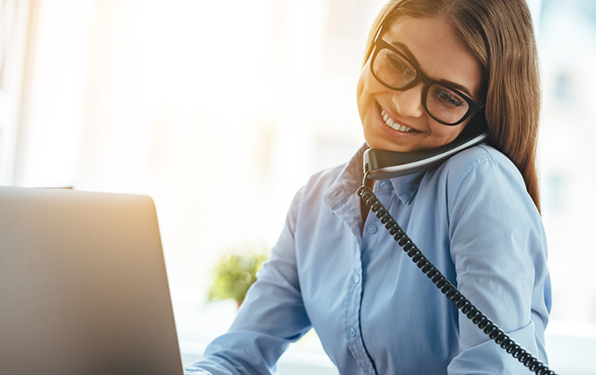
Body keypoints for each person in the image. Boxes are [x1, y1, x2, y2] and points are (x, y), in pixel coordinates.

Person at [186, 0, 551, 373]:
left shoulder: (478, 182)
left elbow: (495, 367)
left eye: (447, 96)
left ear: (480, 117)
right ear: (373, 43)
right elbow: (236, 357)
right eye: (398, 63)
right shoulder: (315, 204)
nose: (405, 105)